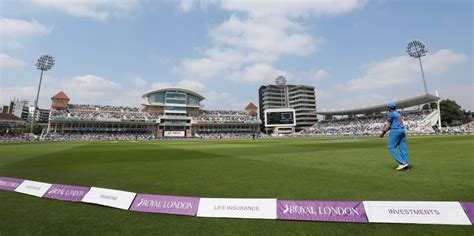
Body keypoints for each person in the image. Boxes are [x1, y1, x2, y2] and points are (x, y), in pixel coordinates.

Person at [379, 102, 410, 171]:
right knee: (403, 148)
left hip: (395, 131)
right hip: (402, 131)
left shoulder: (391, 113)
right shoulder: (398, 114)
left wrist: (382, 133)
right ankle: (406, 164)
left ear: (389, 108)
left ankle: (402, 163)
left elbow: (388, 125)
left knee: (391, 146)